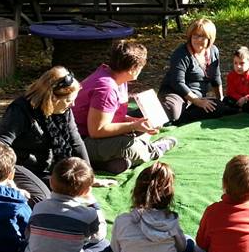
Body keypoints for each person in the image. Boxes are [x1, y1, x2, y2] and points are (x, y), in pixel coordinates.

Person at [72, 40, 175, 174]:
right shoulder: (106, 88)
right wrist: (133, 126)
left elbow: (111, 115)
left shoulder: (116, 77)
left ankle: (107, 163)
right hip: (82, 142)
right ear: (133, 69)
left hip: (97, 137)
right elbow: (96, 130)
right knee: (131, 147)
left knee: (140, 130)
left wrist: (134, 122)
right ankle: (154, 150)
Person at [0, 66, 88, 206]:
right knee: (42, 200)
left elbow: (76, 141)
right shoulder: (20, 110)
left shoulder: (63, 110)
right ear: (52, 98)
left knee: (67, 194)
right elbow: (0, 144)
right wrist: (5, 178)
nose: (73, 105)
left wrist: (88, 175)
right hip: (20, 166)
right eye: (68, 100)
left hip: (47, 168)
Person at [20, 157, 111, 252]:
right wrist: (94, 205)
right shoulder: (88, 215)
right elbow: (99, 237)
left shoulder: (39, 208)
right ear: (86, 191)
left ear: (51, 181)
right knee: (105, 245)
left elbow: (28, 237)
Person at [110, 162, 195, 252]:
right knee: (189, 242)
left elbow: (117, 251)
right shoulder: (171, 220)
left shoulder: (122, 220)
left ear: (137, 191)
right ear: (169, 196)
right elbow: (182, 248)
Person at [159, 18, 229, 125]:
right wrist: (197, 101)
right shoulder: (181, 54)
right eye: (195, 35)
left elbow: (216, 77)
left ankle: (180, 118)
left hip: (198, 96)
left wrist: (220, 98)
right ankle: (168, 115)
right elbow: (177, 82)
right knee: (173, 111)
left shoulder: (213, 51)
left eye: (202, 36)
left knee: (218, 107)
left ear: (210, 38)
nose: (198, 39)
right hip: (175, 93)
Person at [223, 46, 249, 117]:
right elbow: (230, 91)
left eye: (242, 63)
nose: (238, 66)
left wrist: (246, 98)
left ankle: (241, 110)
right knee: (226, 100)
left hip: (248, 101)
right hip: (236, 100)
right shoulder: (231, 75)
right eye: (235, 63)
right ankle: (238, 110)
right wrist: (239, 98)